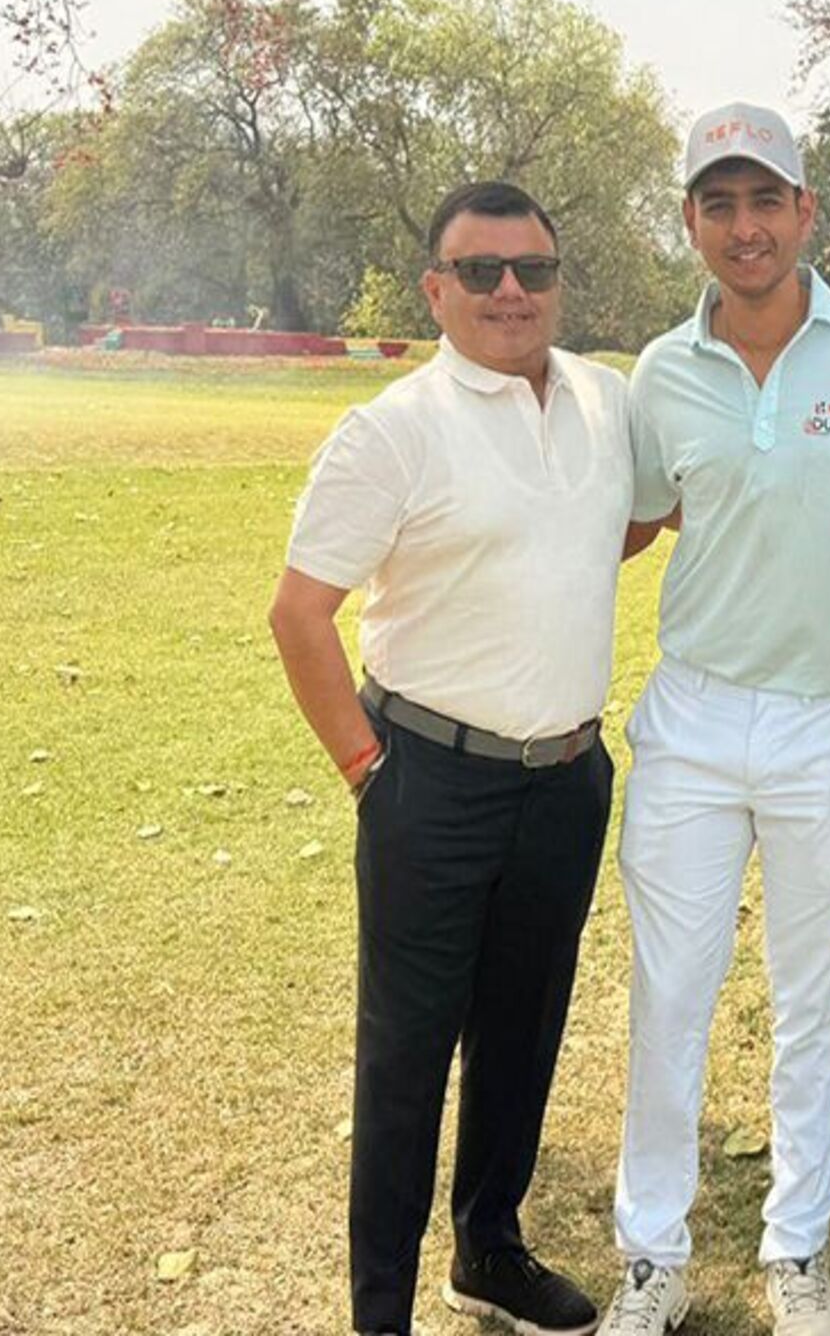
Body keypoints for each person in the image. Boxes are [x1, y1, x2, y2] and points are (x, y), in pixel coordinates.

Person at [269, 181, 633, 1336]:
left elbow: (617, 527)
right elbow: (299, 615)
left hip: (565, 780)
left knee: (523, 1034)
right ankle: (380, 1310)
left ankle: (489, 1250)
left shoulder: (603, 400)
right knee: (409, 1056)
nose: (510, 291)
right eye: (481, 271)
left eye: (533, 269)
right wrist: (367, 775)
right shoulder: (392, 429)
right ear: (436, 289)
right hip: (427, 780)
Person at [597, 102, 830, 1336]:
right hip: (691, 717)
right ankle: (652, 1257)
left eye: (764, 200)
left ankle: (796, 1249)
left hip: (827, 721)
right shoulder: (661, 372)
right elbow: (633, 519)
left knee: (807, 995)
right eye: (719, 204)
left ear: (804, 211)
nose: (745, 228)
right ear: (690, 221)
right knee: (669, 994)